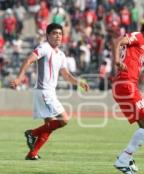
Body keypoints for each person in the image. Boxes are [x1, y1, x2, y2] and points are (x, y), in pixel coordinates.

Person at [10, 23, 89, 160]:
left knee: (49, 126)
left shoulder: (61, 54)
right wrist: (19, 78)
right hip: (44, 92)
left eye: (60, 33)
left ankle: (32, 154)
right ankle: (32, 133)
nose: (58, 35)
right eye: (54, 33)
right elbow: (28, 60)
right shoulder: (44, 48)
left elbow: (66, 76)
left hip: (49, 92)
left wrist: (79, 83)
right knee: (64, 120)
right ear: (48, 35)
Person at [112, 17, 144, 174]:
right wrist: (117, 60)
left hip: (127, 85)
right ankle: (124, 158)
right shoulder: (139, 36)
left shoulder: (141, 44)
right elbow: (118, 41)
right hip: (126, 84)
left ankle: (128, 157)